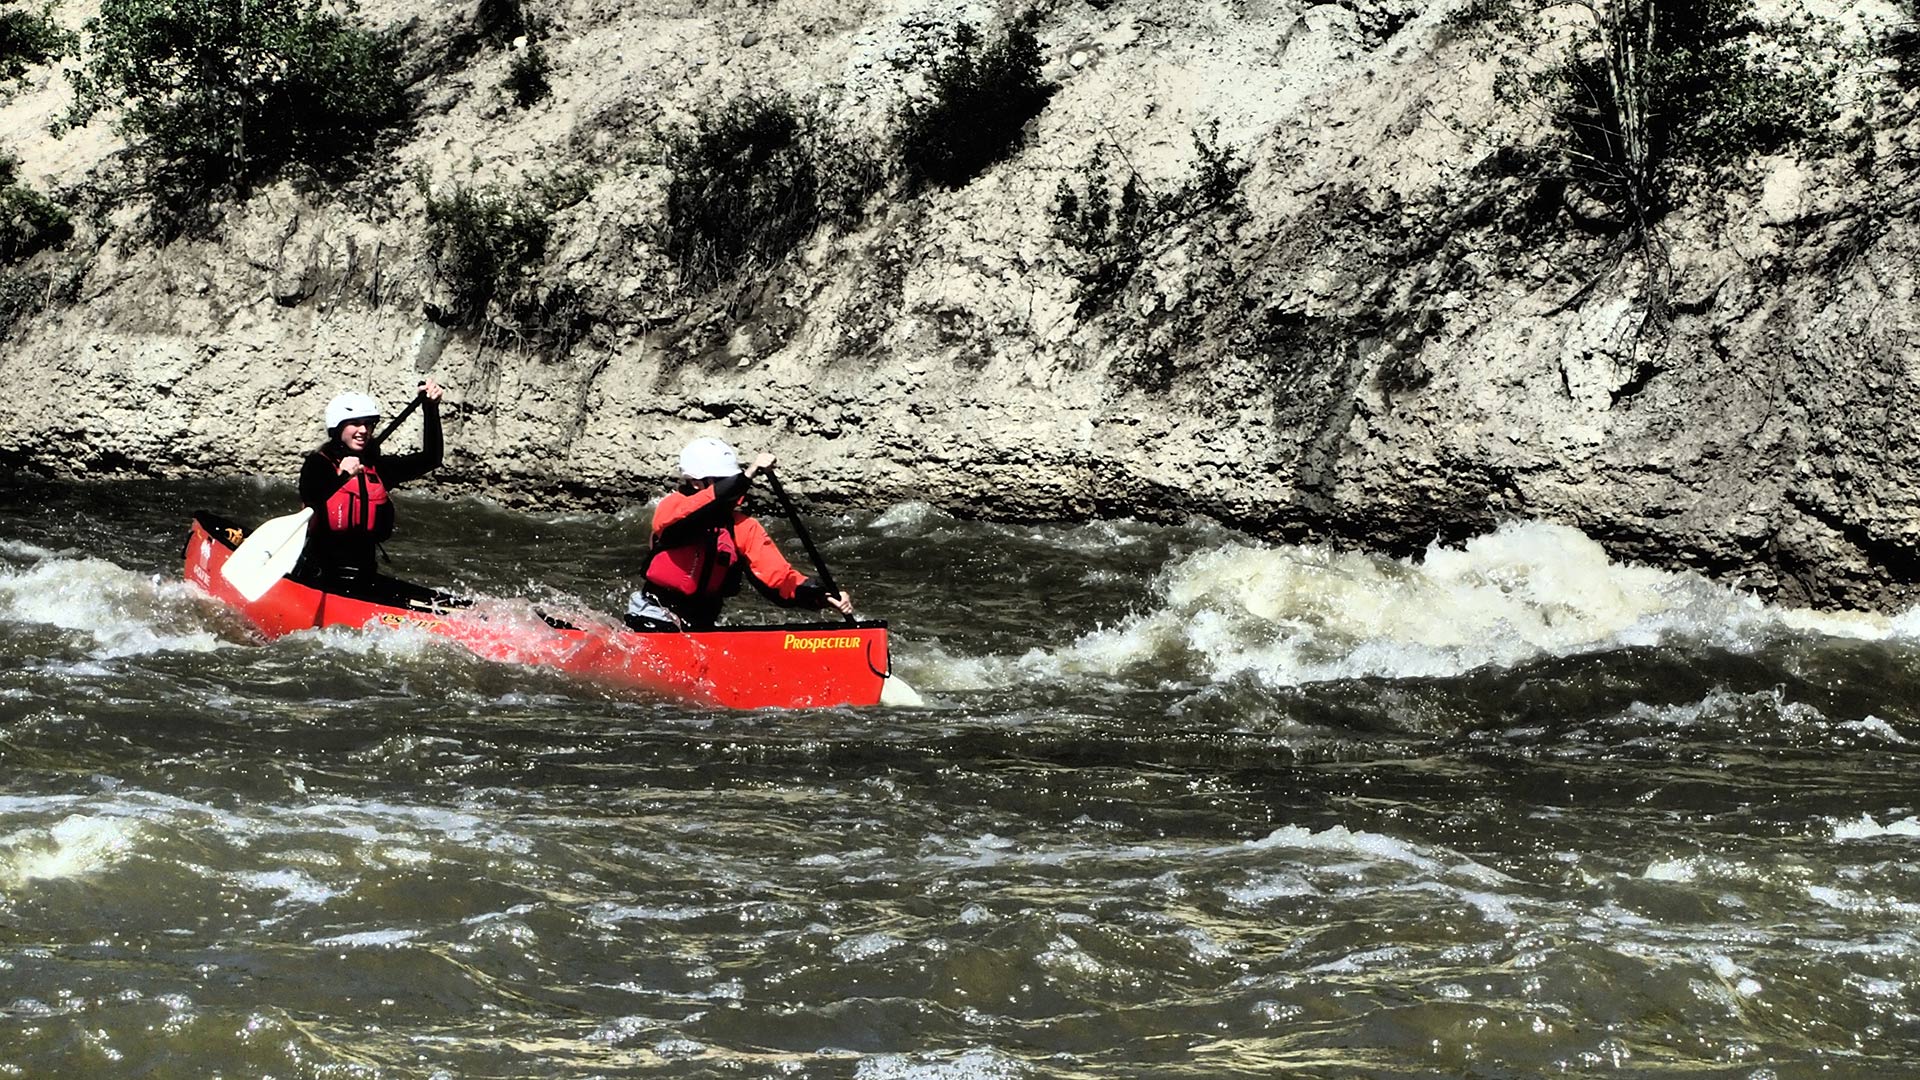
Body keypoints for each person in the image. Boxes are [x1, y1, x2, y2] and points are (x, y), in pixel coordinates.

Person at [628, 437, 855, 631]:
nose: (731, 486)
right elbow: (696, 513)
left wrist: (822, 596)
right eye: (724, 481)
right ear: (696, 483)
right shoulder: (671, 508)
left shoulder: (743, 527)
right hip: (654, 614)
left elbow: (778, 579)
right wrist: (746, 477)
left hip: (702, 623)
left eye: (730, 479)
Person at [296, 380, 445, 592]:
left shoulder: (377, 468)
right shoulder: (318, 464)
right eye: (355, 423)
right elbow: (311, 495)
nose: (363, 430)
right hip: (320, 574)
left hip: (363, 575)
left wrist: (431, 408)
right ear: (337, 427)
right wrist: (342, 476)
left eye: (368, 424)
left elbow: (431, 459)